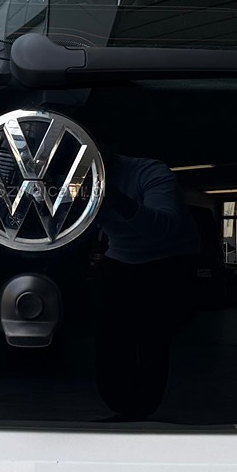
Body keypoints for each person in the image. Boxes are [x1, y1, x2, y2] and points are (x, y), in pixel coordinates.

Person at [90, 155, 198, 420]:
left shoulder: (150, 173)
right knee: (111, 338)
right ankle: (123, 408)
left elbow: (164, 228)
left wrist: (111, 196)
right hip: (120, 256)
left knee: (152, 339)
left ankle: (141, 413)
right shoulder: (76, 173)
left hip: (168, 260)